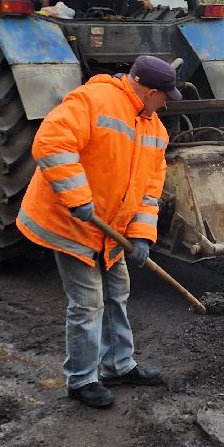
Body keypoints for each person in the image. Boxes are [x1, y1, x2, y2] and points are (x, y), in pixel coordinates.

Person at [16, 55, 180, 408]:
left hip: (112, 230)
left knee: (117, 294)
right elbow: (51, 142)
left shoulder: (155, 130)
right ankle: (81, 379)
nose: (167, 103)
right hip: (72, 222)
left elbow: (150, 188)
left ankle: (118, 366)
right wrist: (76, 197)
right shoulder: (93, 100)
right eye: (165, 96)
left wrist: (140, 234)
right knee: (88, 303)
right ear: (150, 91)